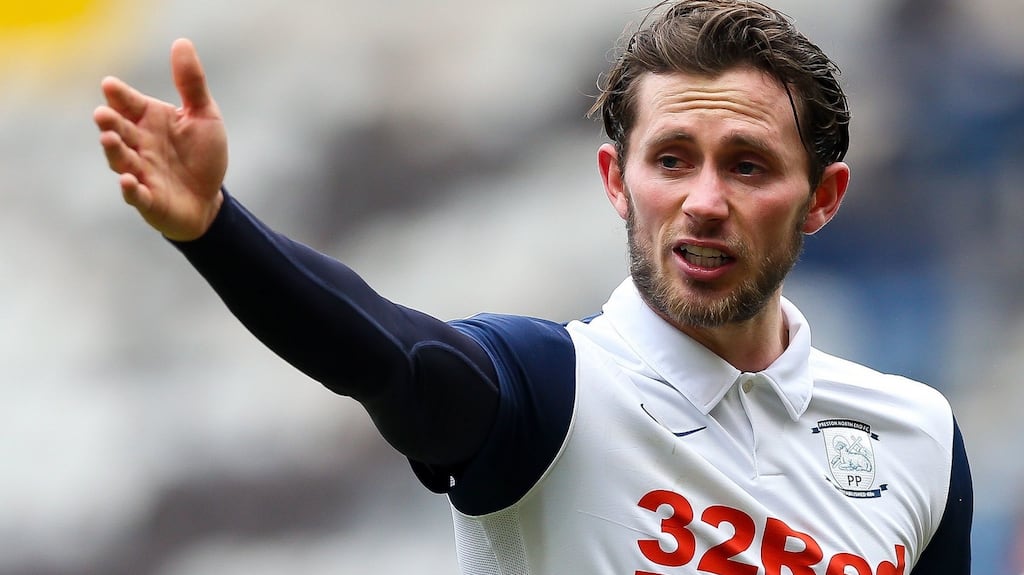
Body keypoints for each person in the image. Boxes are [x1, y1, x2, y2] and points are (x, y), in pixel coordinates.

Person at [93, 1, 972, 572]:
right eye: (672, 160)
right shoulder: (553, 392)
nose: (705, 201)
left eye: (747, 165)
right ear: (617, 182)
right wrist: (216, 228)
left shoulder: (916, 435)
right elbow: (391, 357)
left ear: (822, 197)